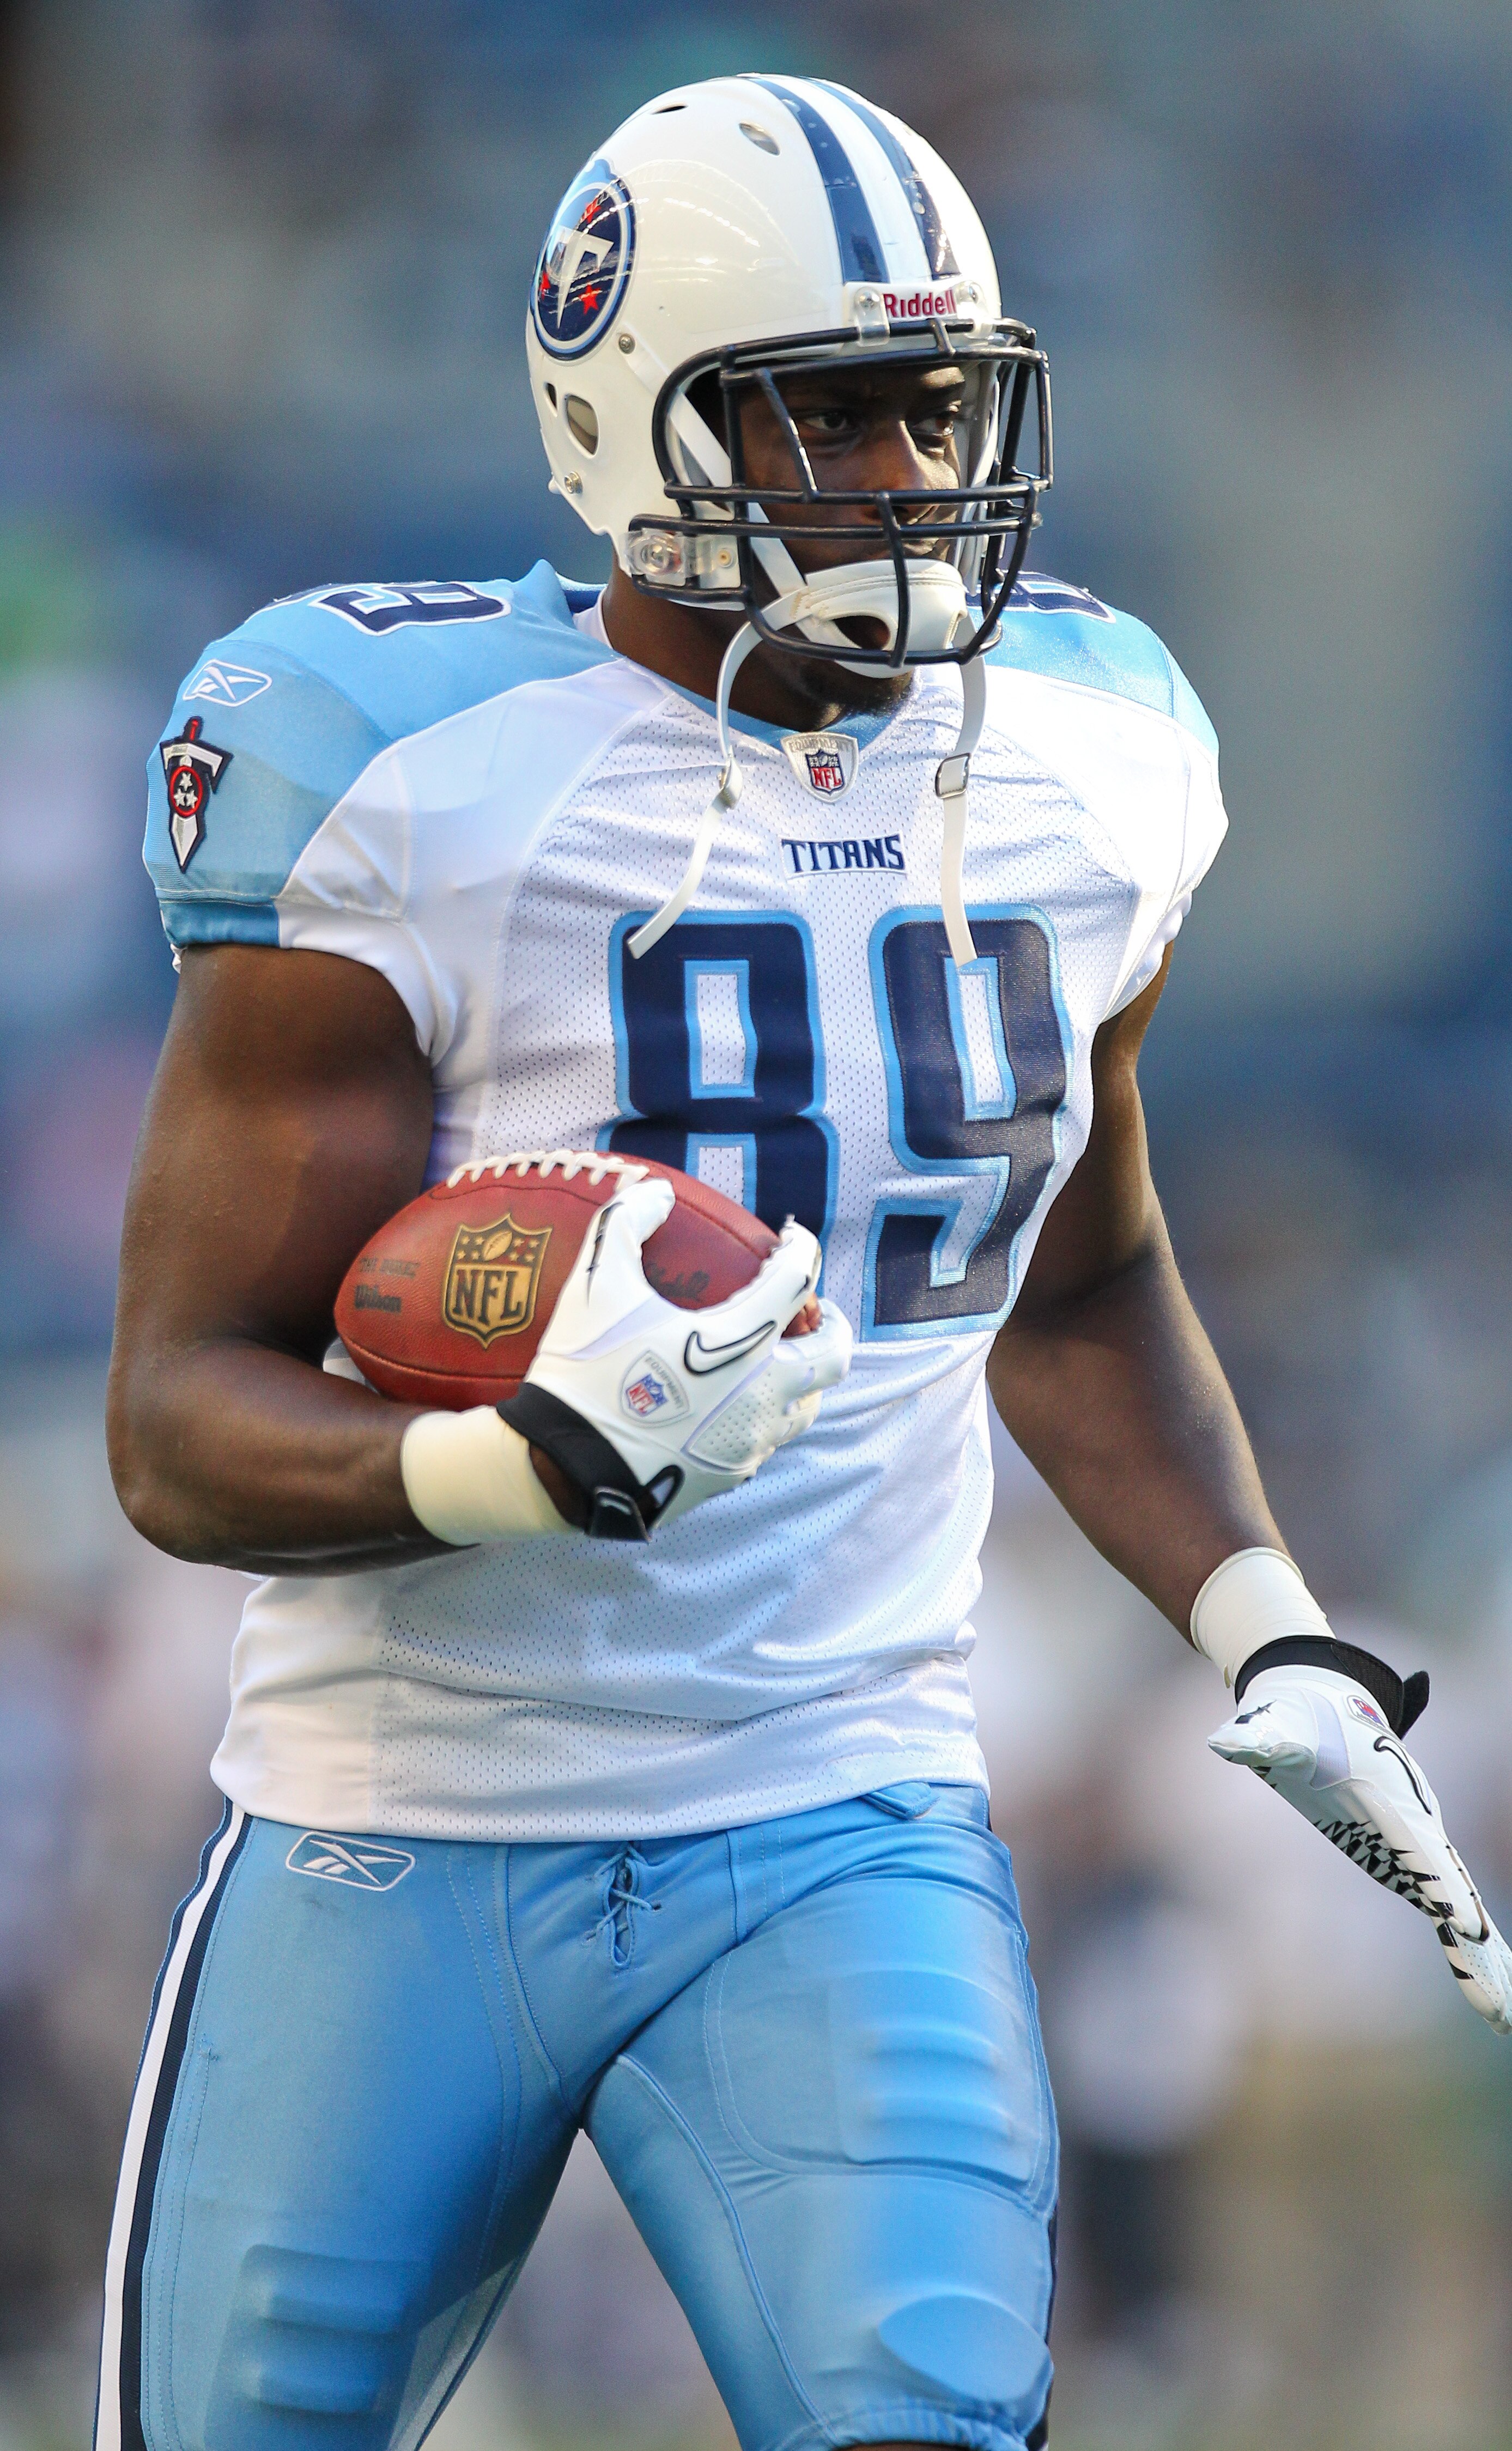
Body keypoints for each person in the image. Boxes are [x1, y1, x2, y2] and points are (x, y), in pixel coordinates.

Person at [98, 72, 1511, 2451]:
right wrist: (503, 1467)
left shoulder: (1090, 753)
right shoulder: (406, 769)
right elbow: (171, 1414)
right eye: (832, 416)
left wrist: (1263, 1619)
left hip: (838, 1810)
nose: (910, 477)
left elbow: (1071, 1276)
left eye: (938, 404)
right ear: (620, 425)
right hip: (396, 1826)